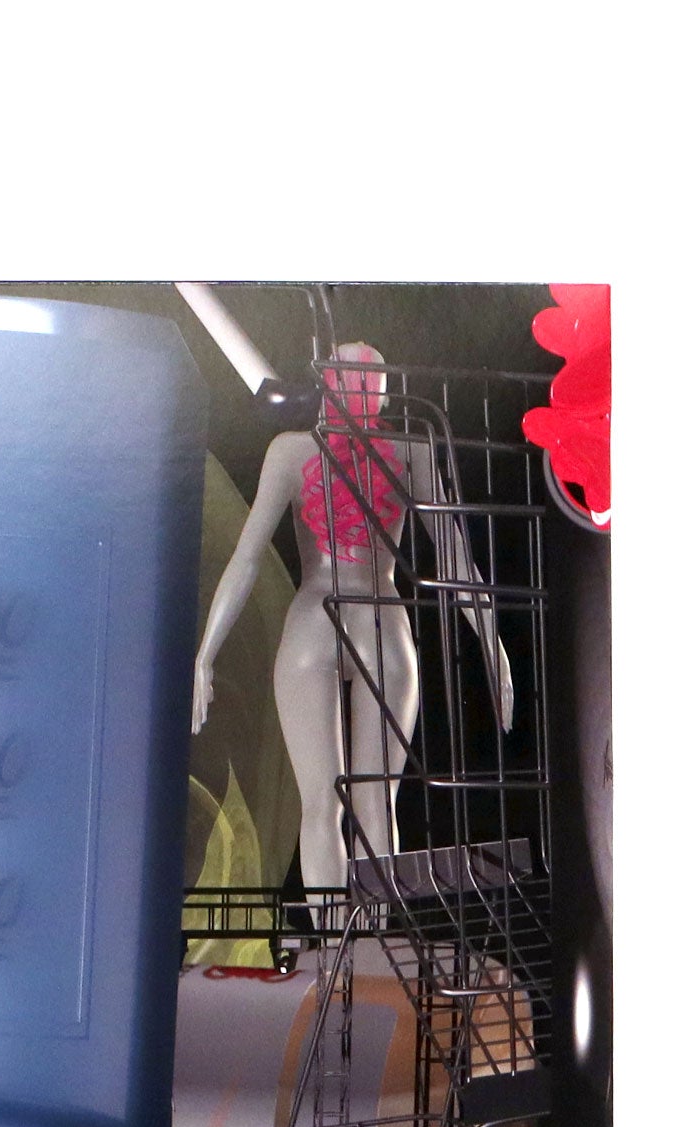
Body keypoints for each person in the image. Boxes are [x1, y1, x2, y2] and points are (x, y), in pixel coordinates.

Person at [192, 345, 513, 892]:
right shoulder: (410, 449)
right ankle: (375, 934)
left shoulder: (290, 451)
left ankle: (333, 936)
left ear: (325, 389)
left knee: (321, 803)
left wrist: (206, 655)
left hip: (314, 618)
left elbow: (247, 558)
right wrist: (491, 643)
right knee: (376, 799)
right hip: (381, 619)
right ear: (381, 395)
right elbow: (455, 557)